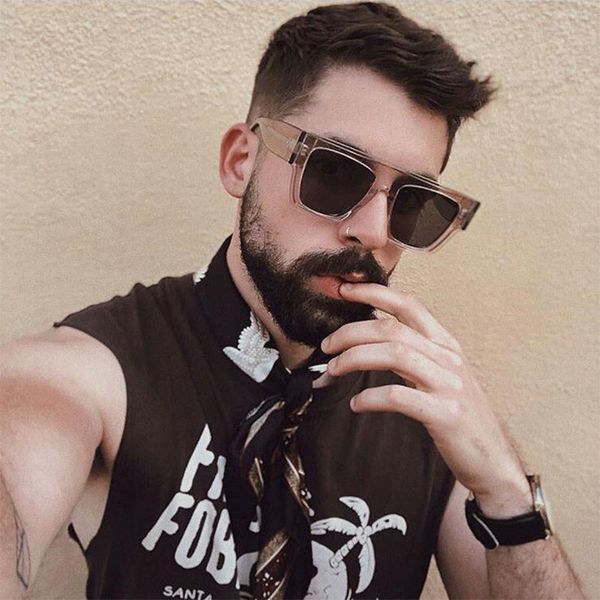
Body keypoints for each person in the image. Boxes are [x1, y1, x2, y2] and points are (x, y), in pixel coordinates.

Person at [0, 2, 584, 599]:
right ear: (241, 161)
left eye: (412, 202)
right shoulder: (97, 371)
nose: (374, 232)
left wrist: (506, 491)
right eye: (334, 173)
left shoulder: (427, 413)